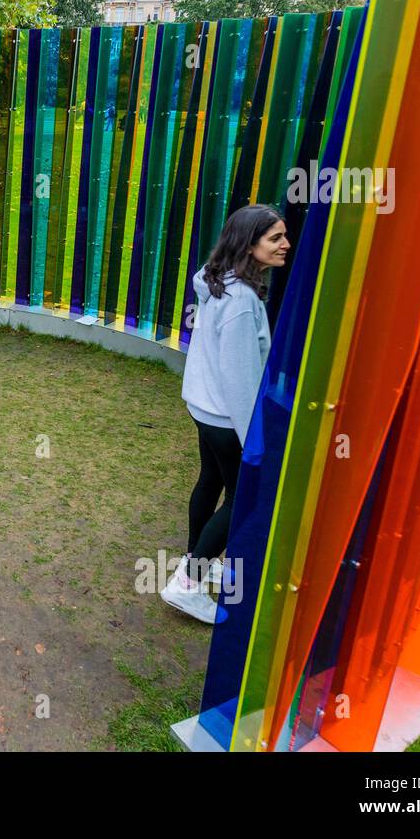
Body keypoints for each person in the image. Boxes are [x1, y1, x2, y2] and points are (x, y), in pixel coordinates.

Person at [161, 204, 289, 624]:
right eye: (275, 238)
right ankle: (188, 582)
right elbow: (239, 378)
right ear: (249, 244)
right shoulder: (240, 301)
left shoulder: (219, 282)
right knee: (242, 497)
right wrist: (256, 436)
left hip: (205, 407)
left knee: (211, 481)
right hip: (225, 416)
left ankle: (195, 558)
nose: (285, 244)